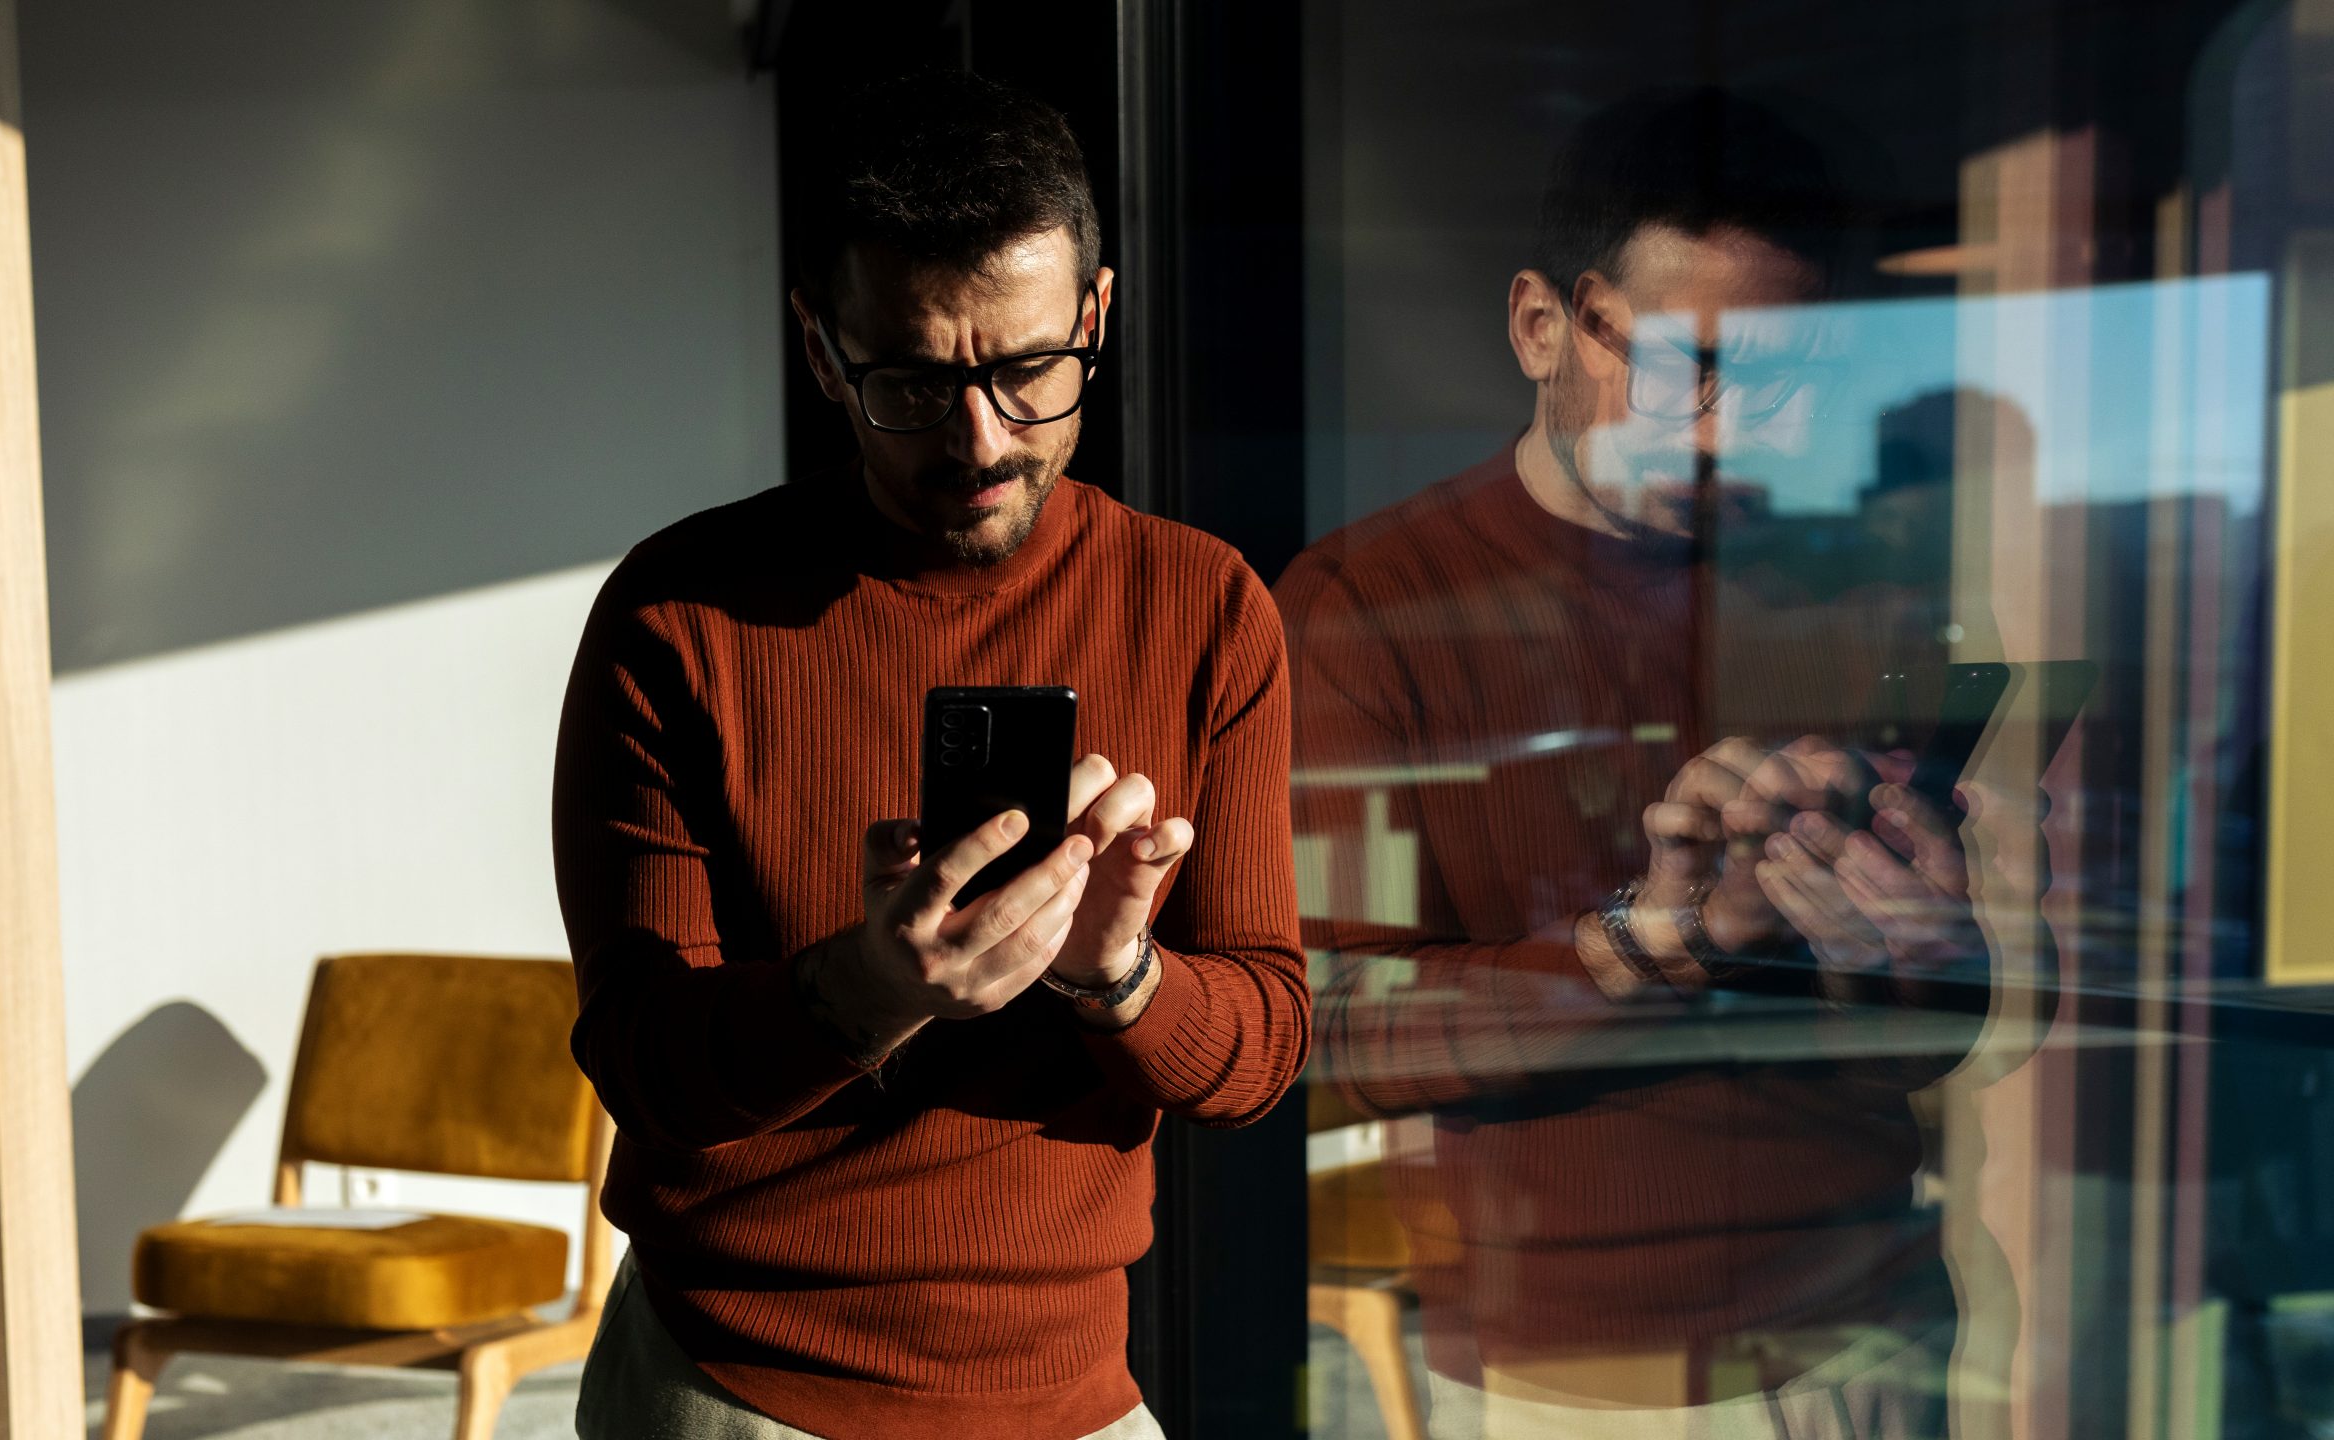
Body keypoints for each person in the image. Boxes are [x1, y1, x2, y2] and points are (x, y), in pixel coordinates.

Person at [553, 70, 1308, 1440]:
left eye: (1027, 372)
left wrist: (1119, 977)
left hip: (1074, 1389)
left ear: (1095, 318)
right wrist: (868, 989)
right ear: (820, 347)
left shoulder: (1203, 607)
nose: (979, 440)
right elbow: (641, 1061)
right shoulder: (678, 614)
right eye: (910, 381)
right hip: (734, 1383)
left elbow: (1262, 1051)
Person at [1280, 89, 2037, 1438]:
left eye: (1792, 382)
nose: (1744, 431)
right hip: (1580, 1374)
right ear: (1543, 326)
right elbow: (1324, 1031)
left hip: (1874, 1332)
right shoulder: (1366, 606)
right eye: (1696, 371)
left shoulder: (1859, 581)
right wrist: (1646, 945)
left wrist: (1921, 948)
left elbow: (1933, 1042)